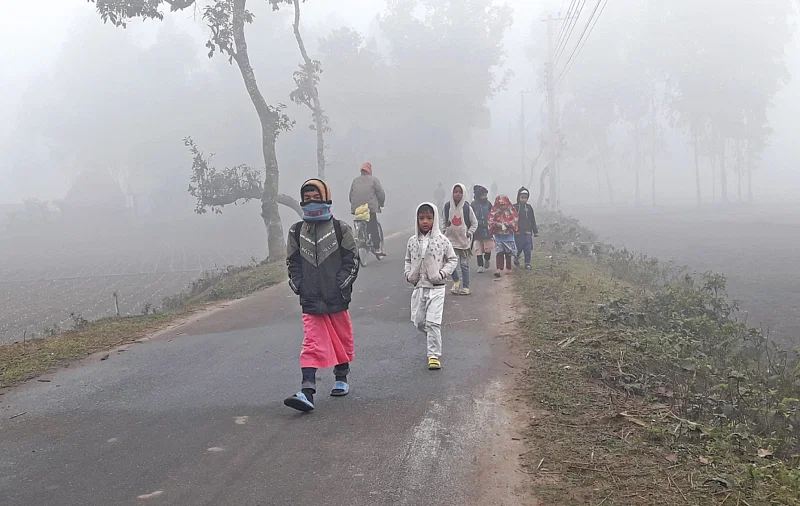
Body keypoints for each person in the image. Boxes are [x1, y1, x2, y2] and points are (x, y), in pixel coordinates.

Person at [285, 179, 360, 413]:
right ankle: (307, 391)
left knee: (340, 338)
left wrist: (341, 285)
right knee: (312, 343)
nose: (311, 202)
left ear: (326, 198)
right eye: (306, 198)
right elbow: (293, 263)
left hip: (336, 298)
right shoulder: (296, 231)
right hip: (310, 300)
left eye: (315, 197)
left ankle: (341, 377)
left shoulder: (341, 229)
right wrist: (299, 285)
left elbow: (352, 261)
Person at [405, 203, 458, 370]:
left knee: (433, 322)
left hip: (437, 288)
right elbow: (407, 260)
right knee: (419, 322)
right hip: (419, 287)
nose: (425, 222)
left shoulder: (442, 241)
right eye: (421, 218)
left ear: (435, 219)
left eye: (429, 218)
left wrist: (441, 274)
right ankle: (433, 336)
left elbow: (452, 259)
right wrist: (408, 274)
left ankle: (433, 355)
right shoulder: (412, 241)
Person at [442, 183, 478, 295]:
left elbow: (474, 223)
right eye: (456, 191)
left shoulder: (467, 208)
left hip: (463, 242)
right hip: (450, 241)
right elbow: (443, 221)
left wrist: (469, 233)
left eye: (460, 192)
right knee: (451, 264)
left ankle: (466, 287)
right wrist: (444, 231)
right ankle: (456, 282)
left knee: (464, 265)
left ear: (463, 194)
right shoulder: (447, 206)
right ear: (452, 193)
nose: (458, 194)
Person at [349, 162, 387, 257]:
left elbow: (350, 195)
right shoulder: (373, 180)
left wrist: (355, 206)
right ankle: (377, 247)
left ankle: (361, 236)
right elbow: (381, 194)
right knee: (373, 225)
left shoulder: (355, 180)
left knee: (361, 221)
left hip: (357, 208)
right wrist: (381, 204)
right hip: (370, 208)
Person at [488, 195, 519, 278]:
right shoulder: (494, 212)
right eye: (500, 205)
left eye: (504, 205)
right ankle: (499, 269)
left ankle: (508, 268)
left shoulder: (511, 211)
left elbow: (515, 220)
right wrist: (496, 225)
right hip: (498, 236)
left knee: (508, 253)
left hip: (508, 236)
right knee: (499, 252)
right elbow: (490, 221)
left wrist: (508, 225)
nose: (502, 207)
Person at [513, 187, 538, 270]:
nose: (524, 199)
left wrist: (535, 231)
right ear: (518, 197)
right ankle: (516, 257)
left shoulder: (529, 207)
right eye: (522, 197)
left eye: (525, 198)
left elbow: (532, 219)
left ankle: (527, 263)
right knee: (518, 248)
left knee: (528, 248)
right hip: (517, 232)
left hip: (527, 232)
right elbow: (510, 219)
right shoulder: (514, 207)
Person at [471, 185, 494, 273]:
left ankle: (487, 259)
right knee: (478, 248)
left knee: (488, 247)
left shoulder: (488, 204)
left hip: (487, 229)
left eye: (486, 195)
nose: (485, 197)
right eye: (483, 195)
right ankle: (480, 266)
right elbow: (470, 216)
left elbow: (492, 213)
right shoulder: (473, 205)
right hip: (477, 230)